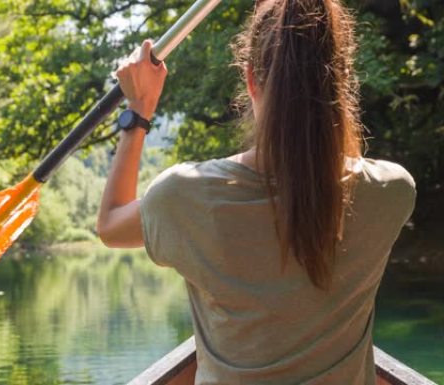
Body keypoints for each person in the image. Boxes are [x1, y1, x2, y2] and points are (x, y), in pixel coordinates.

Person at [96, 0, 416, 384]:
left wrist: (139, 112)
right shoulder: (392, 191)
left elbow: (111, 226)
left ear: (249, 78)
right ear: (344, 83)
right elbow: (335, 168)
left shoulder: (185, 197)